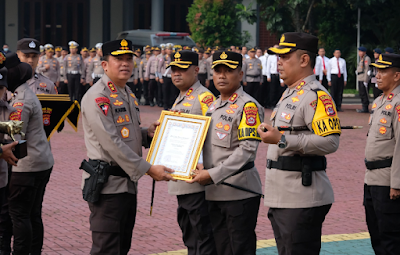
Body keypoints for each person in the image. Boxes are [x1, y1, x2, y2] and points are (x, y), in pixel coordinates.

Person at [81, 39, 175, 255]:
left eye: (128, 59)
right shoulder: (99, 97)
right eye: (118, 59)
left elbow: (125, 134)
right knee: (107, 249)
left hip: (126, 185)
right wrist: (149, 169)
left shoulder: (125, 92)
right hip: (108, 187)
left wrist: (147, 134)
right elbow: (112, 143)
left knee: (122, 247)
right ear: (105, 65)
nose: (125, 64)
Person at [258, 32, 340, 255]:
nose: (279, 62)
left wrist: (282, 139)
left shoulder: (316, 96)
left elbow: (330, 142)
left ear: (304, 60)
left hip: (302, 198)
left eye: (285, 56)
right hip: (284, 195)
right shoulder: (290, 93)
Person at [189, 50, 264, 255]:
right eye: (217, 71)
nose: (221, 76)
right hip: (214, 192)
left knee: (239, 249)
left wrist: (212, 174)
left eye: (228, 71)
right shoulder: (212, 106)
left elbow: (247, 150)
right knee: (221, 249)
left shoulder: (248, 106)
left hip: (239, 192)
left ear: (240, 74)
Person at [168, 50, 217, 255]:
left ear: (196, 70)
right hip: (181, 181)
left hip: (196, 182)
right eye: (173, 70)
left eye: (182, 69)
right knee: (189, 234)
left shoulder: (204, 97)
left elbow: (214, 136)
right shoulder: (181, 98)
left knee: (203, 236)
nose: (176, 74)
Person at [6, 52, 54, 255]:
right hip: (41, 161)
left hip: (27, 166)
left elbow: (15, 134)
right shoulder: (24, 93)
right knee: (33, 213)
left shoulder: (20, 101)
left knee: (20, 214)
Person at [364, 53, 400, 255]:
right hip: (372, 180)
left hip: (388, 182)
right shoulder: (379, 101)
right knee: (376, 235)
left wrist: (397, 183)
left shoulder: (398, 102)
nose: (377, 75)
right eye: (376, 70)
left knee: (391, 238)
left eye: (383, 71)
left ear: (396, 76)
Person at [356, 46, 372, 113]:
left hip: (363, 78)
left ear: (364, 52)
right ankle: (363, 106)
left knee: (364, 93)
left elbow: (367, 69)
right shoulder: (362, 58)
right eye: (359, 51)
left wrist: (366, 80)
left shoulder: (366, 58)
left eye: (361, 51)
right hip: (360, 77)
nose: (359, 53)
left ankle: (365, 107)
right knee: (361, 93)